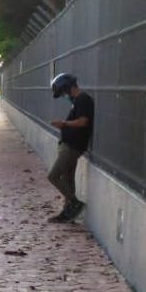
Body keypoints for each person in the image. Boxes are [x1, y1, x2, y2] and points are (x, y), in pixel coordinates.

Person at [47, 72, 93, 222]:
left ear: (68, 88)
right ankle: (68, 212)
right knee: (67, 178)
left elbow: (83, 121)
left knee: (53, 176)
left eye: (63, 93)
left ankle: (74, 203)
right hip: (70, 144)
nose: (64, 96)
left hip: (73, 146)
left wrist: (64, 124)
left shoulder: (83, 99)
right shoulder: (77, 101)